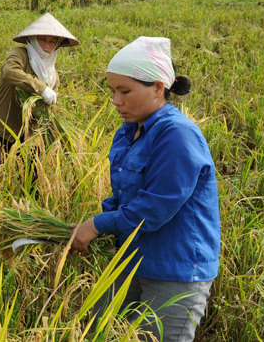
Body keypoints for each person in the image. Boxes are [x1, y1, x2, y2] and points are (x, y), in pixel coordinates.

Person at [70, 37, 220, 342]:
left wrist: (97, 226)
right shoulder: (127, 132)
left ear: (158, 88)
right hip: (132, 257)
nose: (116, 101)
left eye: (125, 91)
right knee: (100, 330)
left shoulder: (177, 135)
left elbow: (155, 207)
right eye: (112, 91)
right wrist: (91, 225)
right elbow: (125, 195)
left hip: (173, 268)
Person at [0, 13, 78, 177]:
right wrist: (40, 88)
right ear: (33, 39)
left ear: (57, 44)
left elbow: (50, 103)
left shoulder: (52, 75)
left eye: (52, 41)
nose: (46, 46)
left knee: (32, 177)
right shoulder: (19, 55)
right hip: (3, 127)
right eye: (42, 39)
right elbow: (10, 72)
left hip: (31, 134)